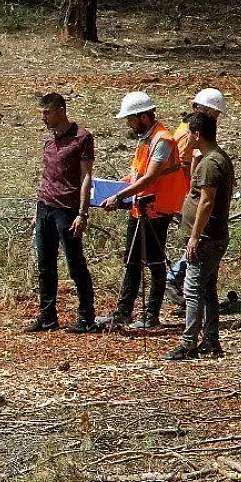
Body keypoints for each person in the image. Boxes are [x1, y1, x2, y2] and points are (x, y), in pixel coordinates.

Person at [97, 91, 190, 330]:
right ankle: (126, 312)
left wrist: (119, 195)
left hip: (156, 210)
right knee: (133, 260)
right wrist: (124, 182)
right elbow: (140, 174)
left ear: (143, 116)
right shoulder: (148, 139)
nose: (128, 123)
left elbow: (150, 178)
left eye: (130, 118)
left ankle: (149, 315)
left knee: (154, 262)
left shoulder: (162, 140)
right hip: (142, 208)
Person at [162, 112, 234, 360]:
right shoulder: (210, 159)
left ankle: (189, 343)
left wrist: (194, 236)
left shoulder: (211, 163)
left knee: (192, 289)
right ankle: (211, 341)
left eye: (189, 132)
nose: (185, 136)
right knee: (207, 289)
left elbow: (205, 202)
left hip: (205, 238)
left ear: (197, 134)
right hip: (211, 236)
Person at [25, 93, 96, 333]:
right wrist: (37, 209)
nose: (44, 118)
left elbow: (87, 176)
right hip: (45, 206)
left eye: (47, 113)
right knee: (45, 265)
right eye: (42, 113)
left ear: (61, 110)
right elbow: (46, 175)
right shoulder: (49, 140)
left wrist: (82, 213)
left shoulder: (82, 138)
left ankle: (87, 318)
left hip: (67, 209)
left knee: (75, 263)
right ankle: (47, 317)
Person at [166, 88, 226, 307]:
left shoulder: (195, 133)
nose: (215, 120)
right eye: (213, 114)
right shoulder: (187, 134)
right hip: (189, 197)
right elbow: (182, 169)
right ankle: (175, 279)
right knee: (198, 242)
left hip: (194, 195)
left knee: (198, 244)